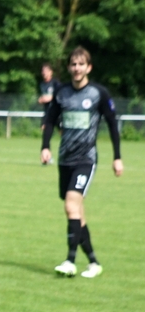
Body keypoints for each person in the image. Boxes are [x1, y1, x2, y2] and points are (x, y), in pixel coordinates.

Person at [41, 46, 122, 279]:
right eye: (73, 64)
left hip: (86, 160)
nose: (77, 68)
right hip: (65, 159)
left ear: (89, 67)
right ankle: (94, 263)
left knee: (70, 205)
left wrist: (117, 157)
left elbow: (112, 124)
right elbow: (50, 120)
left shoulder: (98, 93)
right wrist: (45, 147)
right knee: (77, 213)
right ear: (69, 67)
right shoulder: (62, 93)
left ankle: (70, 261)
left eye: (81, 64)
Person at [37, 62, 61, 129]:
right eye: (43, 71)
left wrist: (51, 98)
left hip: (58, 113)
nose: (44, 73)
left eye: (46, 71)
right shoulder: (42, 84)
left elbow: (61, 95)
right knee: (44, 130)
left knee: (62, 131)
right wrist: (40, 100)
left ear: (51, 72)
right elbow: (43, 97)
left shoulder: (55, 83)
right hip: (47, 113)